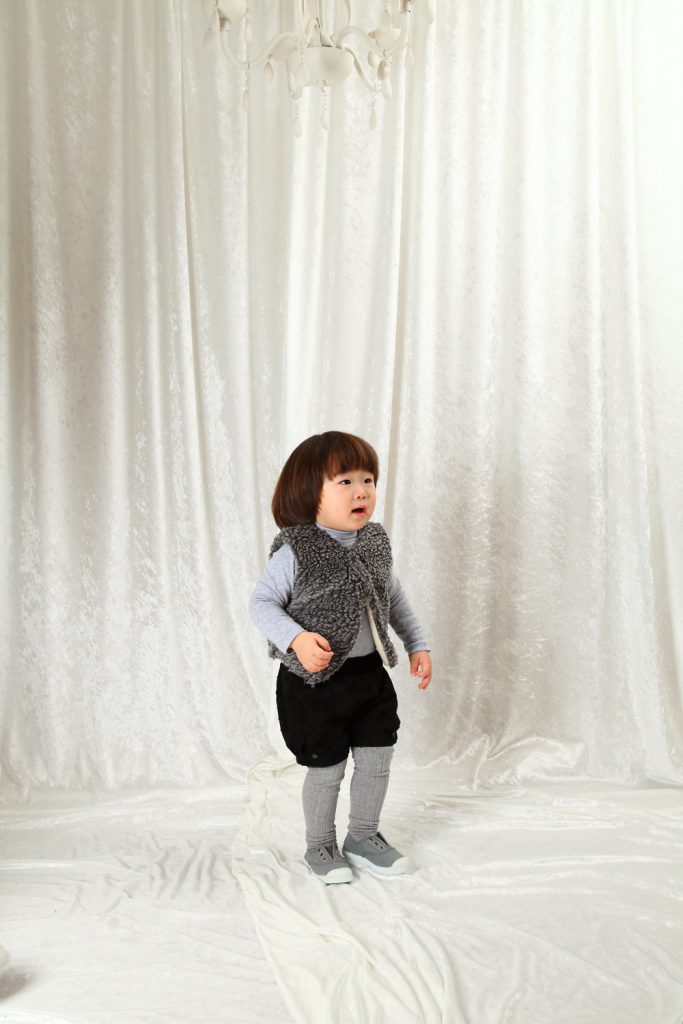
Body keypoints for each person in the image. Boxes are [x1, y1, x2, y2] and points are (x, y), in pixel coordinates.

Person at [249, 430, 432, 885]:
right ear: (308, 491)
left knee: (377, 758)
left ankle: (363, 836)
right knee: (326, 769)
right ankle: (320, 845)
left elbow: (392, 597)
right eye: (345, 481)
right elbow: (262, 603)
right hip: (315, 684)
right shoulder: (297, 549)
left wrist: (417, 643)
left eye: (368, 480)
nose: (361, 491)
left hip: (369, 677)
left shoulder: (373, 543)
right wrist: (296, 639)